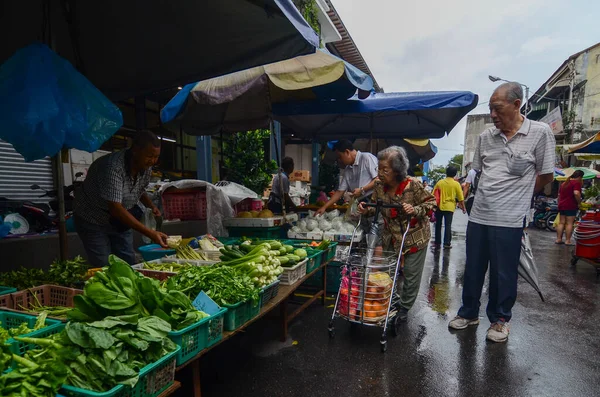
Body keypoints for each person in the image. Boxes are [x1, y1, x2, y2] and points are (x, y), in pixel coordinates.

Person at [448, 82, 555, 343]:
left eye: (497, 109)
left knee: (503, 273)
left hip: (509, 219)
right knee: (473, 268)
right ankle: (468, 312)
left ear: (517, 105)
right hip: (480, 216)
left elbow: (547, 175)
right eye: (491, 109)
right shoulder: (486, 137)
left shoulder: (540, 133)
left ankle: (500, 320)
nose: (493, 115)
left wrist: (521, 196)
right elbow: (478, 172)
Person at [358, 146, 436, 321]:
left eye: (385, 169)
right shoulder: (378, 185)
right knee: (388, 271)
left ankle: (404, 309)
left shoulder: (413, 185)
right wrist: (365, 209)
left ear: (397, 171)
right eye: (379, 168)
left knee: (410, 273)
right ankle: (391, 299)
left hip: (415, 236)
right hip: (391, 235)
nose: (380, 173)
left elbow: (431, 202)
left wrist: (415, 209)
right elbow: (375, 206)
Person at [74, 130, 168, 267]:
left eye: (156, 157)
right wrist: (151, 233)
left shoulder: (145, 167)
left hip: (119, 220)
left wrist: (151, 206)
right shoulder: (113, 167)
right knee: (103, 264)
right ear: (135, 150)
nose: (152, 161)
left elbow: (138, 189)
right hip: (92, 218)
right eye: (149, 156)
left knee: (127, 261)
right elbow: (116, 209)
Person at [316, 140, 378, 215]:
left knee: (374, 225)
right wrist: (324, 207)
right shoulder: (347, 170)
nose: (340, 160)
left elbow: (378, 179)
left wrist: (362, 189)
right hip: (359, 205)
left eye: (340, 157)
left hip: (372, 201)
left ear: (347, 152)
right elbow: (339, 192)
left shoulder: (367, 158)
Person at [433, 166, 466, 248]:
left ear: (446, 173)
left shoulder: (440, 182)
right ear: (455, 174)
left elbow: (433, 194)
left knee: (438, 225)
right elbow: (461, 197)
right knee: (448, 225)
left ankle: (437, 242)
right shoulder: (456, 184)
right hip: (450, 207)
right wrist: (463, 208)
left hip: (439, 206)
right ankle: (447, 243)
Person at [556, 170, 584, 245]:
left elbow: (559, 195)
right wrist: (579, 202)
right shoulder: (576, 183)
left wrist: (559, 203)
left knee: (561, 222)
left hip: (562, 205)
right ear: (580, 177)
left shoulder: (564, 183)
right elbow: (576, 193)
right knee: (569, 223)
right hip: (570, 205)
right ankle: (567, 240)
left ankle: (558, 239)